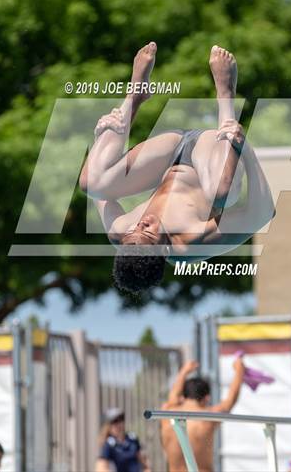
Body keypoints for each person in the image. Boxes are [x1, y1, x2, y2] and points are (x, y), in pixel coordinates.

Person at [80, 42, 275, 292]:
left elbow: (101, 192)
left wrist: (101, 139)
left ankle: (135, 95)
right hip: (206, 156)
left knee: (92, 185)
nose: (141, 223)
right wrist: (245, 148)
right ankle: (226, 100)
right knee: (222, 194)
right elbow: (262, 213)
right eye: (148, 233)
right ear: (163, 251)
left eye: (134, 231)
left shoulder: (122, 233)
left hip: (167, 153)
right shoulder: (194, 242)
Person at [160, 359, 245, 472]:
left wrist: (184, 372)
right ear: (207, 398)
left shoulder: (167, 413)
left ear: (184, 396)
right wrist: (239, 370)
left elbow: (173, 396)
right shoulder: (208, 418)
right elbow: (230, 400)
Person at [95, 408, 151, 472]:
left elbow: (144, 462)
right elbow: (100, 469)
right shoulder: (108, 445)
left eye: (121, 419)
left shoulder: (132, 439)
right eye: (115, 421)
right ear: (108, 426)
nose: (119, 424)